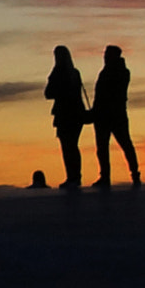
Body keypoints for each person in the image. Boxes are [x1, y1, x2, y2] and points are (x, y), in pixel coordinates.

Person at [93, 45, 142, 186]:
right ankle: (105, 176)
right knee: (103, 148)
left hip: (115, 114)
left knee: (125, 144)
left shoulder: (120, 72)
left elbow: (108, 94)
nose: (105, 56)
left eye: (107, 54)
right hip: (105, 115)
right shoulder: (109, 71)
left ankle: (134, 173)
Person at [45, 45, 90, 190]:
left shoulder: (58, 72)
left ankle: (72, 177)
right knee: (73, 146)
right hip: (77, 114)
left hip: (65, 114)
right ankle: (75, 177)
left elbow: (48, 93)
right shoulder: (75, 73)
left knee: (67, 147)